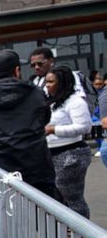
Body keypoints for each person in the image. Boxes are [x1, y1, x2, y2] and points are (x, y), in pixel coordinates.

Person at [0, 49, 58, 198]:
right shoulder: (36, 93)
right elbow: (45, 119)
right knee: (43, 216)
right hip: (38, 171)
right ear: (17, 71)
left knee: (6, 216)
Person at [44, 66, 92, 217]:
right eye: (46, 81)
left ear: (62, 83)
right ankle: (68, 235)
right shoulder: (54, 102)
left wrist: (53, 130)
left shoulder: (75, 101)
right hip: (53, 153)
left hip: (71, 155)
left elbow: (85, 127)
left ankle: (84, 237)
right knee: (59, 199)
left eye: (51, 82)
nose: (47, 85)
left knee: (73, 199)